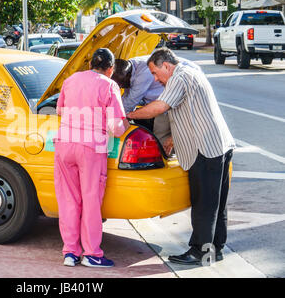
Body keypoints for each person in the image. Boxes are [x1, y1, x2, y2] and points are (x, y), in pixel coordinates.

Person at [128, 48, 236, 265]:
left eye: (156, 73)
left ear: (166, 66)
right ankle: (215, 249)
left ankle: (199, 253)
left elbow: (160, 107)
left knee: (204, 203)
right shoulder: (190, 72)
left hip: (205, 149)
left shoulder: (179, 76)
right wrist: (173, 140)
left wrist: (128, 114)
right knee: (216, 203)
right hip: (219, 145)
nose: (156, 80)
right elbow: (192, 113)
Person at [54, 48, 130, 268]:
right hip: (91, 148)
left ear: (89, 66)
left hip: (65, 143)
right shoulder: (109, 85)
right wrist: (126, 123)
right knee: (91, 200)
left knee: (68, 200)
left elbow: (60, 110)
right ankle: (92, 254)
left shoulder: (70, 80)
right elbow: (116, 127)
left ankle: (70, 253)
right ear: (111, 69)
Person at [111, 56, 201, 149]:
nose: (121, 87)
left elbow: (130, 102)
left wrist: (115, 118)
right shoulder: (130, 67)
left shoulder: (144, 73)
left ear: (128, 75)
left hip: (172, 103)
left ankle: (169, 160)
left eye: (121, 84)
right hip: (166, 100)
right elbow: (126, 98)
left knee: (161, 139)